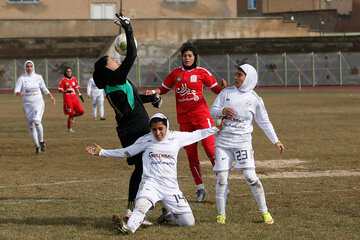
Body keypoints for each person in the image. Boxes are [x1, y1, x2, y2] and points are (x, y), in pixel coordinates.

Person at [86, 113, 223, 235]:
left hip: (171, 187)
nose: (157, 133)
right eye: (154, 129)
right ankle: (128, 228)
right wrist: (102, 152)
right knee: (141, 206)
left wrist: (217, 127)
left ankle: (168, 216)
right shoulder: (146, 139)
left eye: (160, 129)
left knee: (188, 222)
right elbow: (127, 152)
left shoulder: (177, 137)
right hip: (151, 184)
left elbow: (197, 134)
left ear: (166, 127)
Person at [93, 13, 162, 223]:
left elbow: (134, 100)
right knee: (150, 167)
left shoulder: (115, 82)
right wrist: (128, 28)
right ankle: (136, 211)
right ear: (108, 68)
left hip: (131, 127)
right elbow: (132, 55)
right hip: (136, 128)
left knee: (145, 168)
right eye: (112, 60)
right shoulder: (115, 77)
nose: (115, 60)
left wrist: (152, 98)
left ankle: (135, 210)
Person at [145, 42, 227, 203]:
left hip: (202, 117)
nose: (187, 58)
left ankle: (223, 185)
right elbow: (164, 89)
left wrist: (223, 87)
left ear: (194, 57)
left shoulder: (202, 72)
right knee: (191, 156)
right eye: (184, 56)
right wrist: (153, 91)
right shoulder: (175, 73)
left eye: (189, 55)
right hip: (184, 120)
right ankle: (200, 188)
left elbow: (216, 89)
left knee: (211, 151)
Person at [210, 63, 285, 225]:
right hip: (223, 142)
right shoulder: (226, 92)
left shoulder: (255, 99)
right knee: (222, 179)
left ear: (248, 78)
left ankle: (264, 211)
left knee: (251, 177)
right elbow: (212, 110)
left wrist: (276, 141)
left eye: (239, 75)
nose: (235, 78)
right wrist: (223, 110)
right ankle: (221, 215)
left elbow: (264, 122)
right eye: (236, 74)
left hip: (243, 143)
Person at [14, 60, 56, 154]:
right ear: (25, 67)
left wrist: (51, 97)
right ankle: (37, 146)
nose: (29, 68)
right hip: (27, 105)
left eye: (31, 66)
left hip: (38, 102)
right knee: (31, 126)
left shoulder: (38, 77)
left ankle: (42, 142)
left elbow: (44, 88)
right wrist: (18, 93)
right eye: (27, 66)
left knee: (36, 121)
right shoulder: (22, 78)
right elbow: (16, 89)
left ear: (33, 67)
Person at [58, 67, 84, 133]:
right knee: (70, 113)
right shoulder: (63, 80)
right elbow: (60, 90)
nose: (69, 73)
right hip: (67, 98)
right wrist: (66, 91)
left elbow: (76, 88)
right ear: (65, 72)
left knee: (81, 111)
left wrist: (80, 95)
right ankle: (69, 128)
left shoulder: (74, 79)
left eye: (70, 71)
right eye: (67, 71)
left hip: (74, 97)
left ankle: (73, 116)